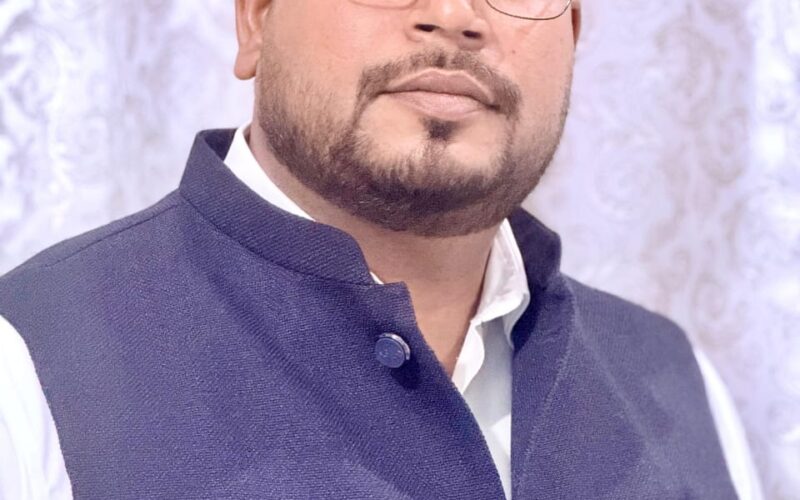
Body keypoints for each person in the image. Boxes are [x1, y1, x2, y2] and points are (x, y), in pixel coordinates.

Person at [0, 1, 762, 498]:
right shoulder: (31, 364)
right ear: (256, 20)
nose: (454, 16)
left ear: (574, 35)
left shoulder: (676, 383)